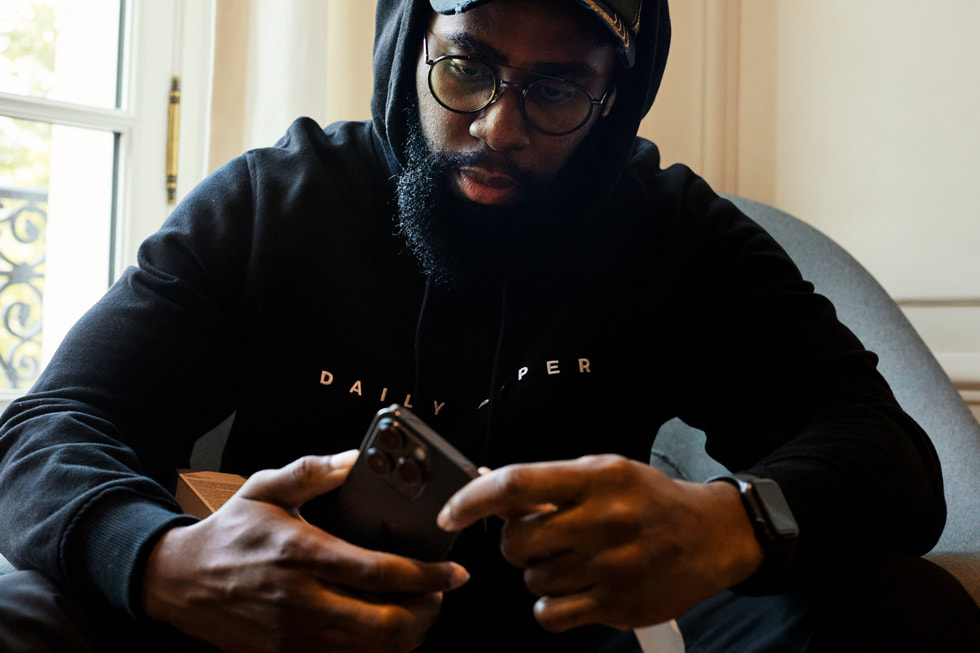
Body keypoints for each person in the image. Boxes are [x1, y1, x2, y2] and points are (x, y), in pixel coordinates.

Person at [0, 0, 978, 650]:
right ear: (409, 43)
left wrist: (739, 519)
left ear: (614, 97)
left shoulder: (674, 235)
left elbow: (889, 458)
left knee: (906, 609)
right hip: (282, 641)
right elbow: (49, 430)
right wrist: (160, 557)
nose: (497, 128)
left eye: (553, 91)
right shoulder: (276, 201)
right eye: (465, 67)